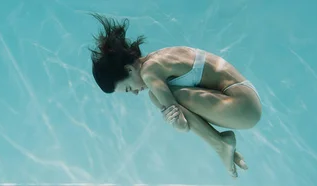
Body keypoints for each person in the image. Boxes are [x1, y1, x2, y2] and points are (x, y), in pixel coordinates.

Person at [88, 13, 262, 178]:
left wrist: (176, 123)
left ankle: (220, 146)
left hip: (243, 107)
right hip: (245, 100)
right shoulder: (157, 58)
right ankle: (222, 145)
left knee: (155, 98)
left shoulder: (149, 73)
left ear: (128, 69)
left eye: (128, 88)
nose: (134, 93)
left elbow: (182, 123)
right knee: (159, 97)